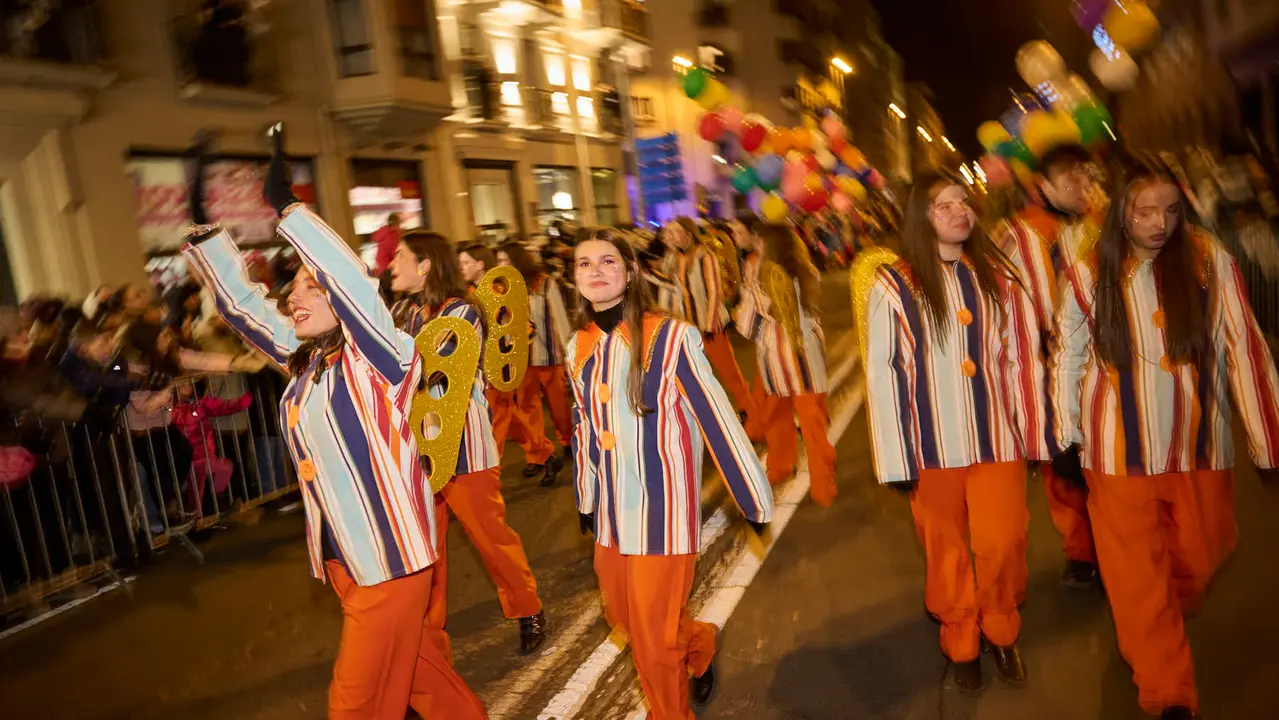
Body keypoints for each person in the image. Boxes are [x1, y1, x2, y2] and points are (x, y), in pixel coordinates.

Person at [182, 127, 486, 719]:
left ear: (341, 303)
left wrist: (288, 206)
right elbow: (243, 306)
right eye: (292, 290)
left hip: (390, 562)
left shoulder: (383, 357)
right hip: (348, 562)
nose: (294, 299)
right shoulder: (304, 365)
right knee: (426, 684)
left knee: (354, 705)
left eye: (309, 289)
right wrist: (204, 225)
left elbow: (351, 285)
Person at [1051, 159, 1279, 720]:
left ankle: (1161, 619)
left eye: (1170, 211)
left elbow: (1242, 343)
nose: (1159, 224)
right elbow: (1068, 356)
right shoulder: (1089, 271)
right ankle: (1166, 690)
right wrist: (1065, 435)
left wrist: (1267, 440)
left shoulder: (1208, 260)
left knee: (1201, 556)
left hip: (1199, 445)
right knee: (1136, 578)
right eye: (1144, 211)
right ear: (1120, 211)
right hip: (1114, 453)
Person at [570, 228, 774, 719]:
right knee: (623, 617)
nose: (595, 271)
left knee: (653, 643)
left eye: (607, 262)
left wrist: (753, 500)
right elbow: (582, 426)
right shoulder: (577, 344)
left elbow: (718, 420)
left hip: (662, 516)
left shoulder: (671, 336)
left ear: (632, 271)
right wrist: (586, 497)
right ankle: (700, 646)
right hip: (611, 517)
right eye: (583, 264)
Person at [855, 172, 1047, 693]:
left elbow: (1020, 357)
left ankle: (1001, 627)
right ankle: (961, 636)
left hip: (997, 437)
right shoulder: (894, 283)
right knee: (946, 550)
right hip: (931, 445)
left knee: (1004, 540)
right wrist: (895, 458)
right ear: (921, 216)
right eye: (943, 205)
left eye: (963, 202)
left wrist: (1034, 431)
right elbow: (884, 370)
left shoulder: (999, 274)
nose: (959, 211)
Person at [388, 231, 547, 656]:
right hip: (417, 448)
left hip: (462, 447)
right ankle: (430, 638)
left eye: (399, 256)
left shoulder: (463, 310)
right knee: (427, 549)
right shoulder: (402, 309)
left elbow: (420, 364)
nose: (390, 265)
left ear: (425, 264)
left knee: (490, 536)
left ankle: (526, 606)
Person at [998, 143, 1103, 589]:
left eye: (1086, 178)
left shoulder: (1100, 223)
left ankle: (1102, 550)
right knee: (1065, 466)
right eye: (1071, 180)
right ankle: (1083, 552)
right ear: (1045, 185)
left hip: (1101, 363)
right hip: (1051, 365)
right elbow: (1033, 312)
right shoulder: (1025, 234)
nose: (1083, 188)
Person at [734, 223, 836, 505]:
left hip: (774, 361)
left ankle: (780, 467)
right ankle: (823, 485)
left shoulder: (758, 284)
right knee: (813, 424)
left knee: (776, 418)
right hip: (808, 358)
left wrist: (741, 311)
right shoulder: (808, 273)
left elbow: (747, 327)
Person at [457, 242, 554, 468]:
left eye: (466, 262)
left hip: (500, 366)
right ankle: (544, 454)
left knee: (496, 420)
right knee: (507, 417)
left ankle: (492, 470)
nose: (462, 267)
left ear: (480, 264)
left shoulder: (499, 292)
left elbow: (525, 327)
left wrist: (509, 350)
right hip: (481, 366)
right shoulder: (468, 293)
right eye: (460, 263)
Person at [659, 218, 755, 424]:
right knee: (694, 379)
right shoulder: (675, 258)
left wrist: (710, 324)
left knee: (731, 376)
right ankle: (710, 423)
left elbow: (714, 291)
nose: (671, 237)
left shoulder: (704, 255)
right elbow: (673, 292)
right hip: (689, 329)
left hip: (710, 327)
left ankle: (752, 418)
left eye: (675, 232)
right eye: (669, 233)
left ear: (688, 233)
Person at [497, 240, 572, 486]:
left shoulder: (545, 283)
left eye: (505, 260)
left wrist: (570, 350)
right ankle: (537, 454)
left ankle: (567, 439)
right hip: (522, 359)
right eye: (499, 261)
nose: (501, 265)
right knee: (527, 408)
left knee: (559, 406)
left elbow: (560, 317)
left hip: (549, 356)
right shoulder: (503, 288)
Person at [373, 212, 402, 276]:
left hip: (382, 269)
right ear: (396, 224)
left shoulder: (384, 233)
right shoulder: (392, 236)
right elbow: (397, 254)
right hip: (389, 270)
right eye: (399, 224)